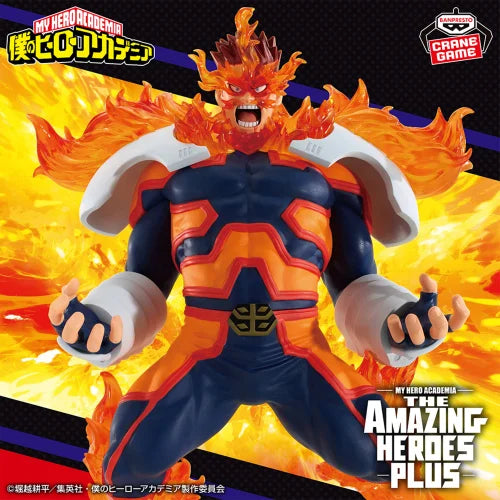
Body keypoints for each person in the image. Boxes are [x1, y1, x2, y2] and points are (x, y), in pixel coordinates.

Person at [38, 8, 470, 497]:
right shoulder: (172, 173)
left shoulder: (332, 173)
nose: (248, 98)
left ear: (279, 93)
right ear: (217, 93)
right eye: (234, 89)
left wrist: (397, 320)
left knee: (394, 463)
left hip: (298, 358)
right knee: (124, 474)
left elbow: (356, 284)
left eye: (261, 88)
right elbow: (144, 281)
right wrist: (103, 318)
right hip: (203, 357)